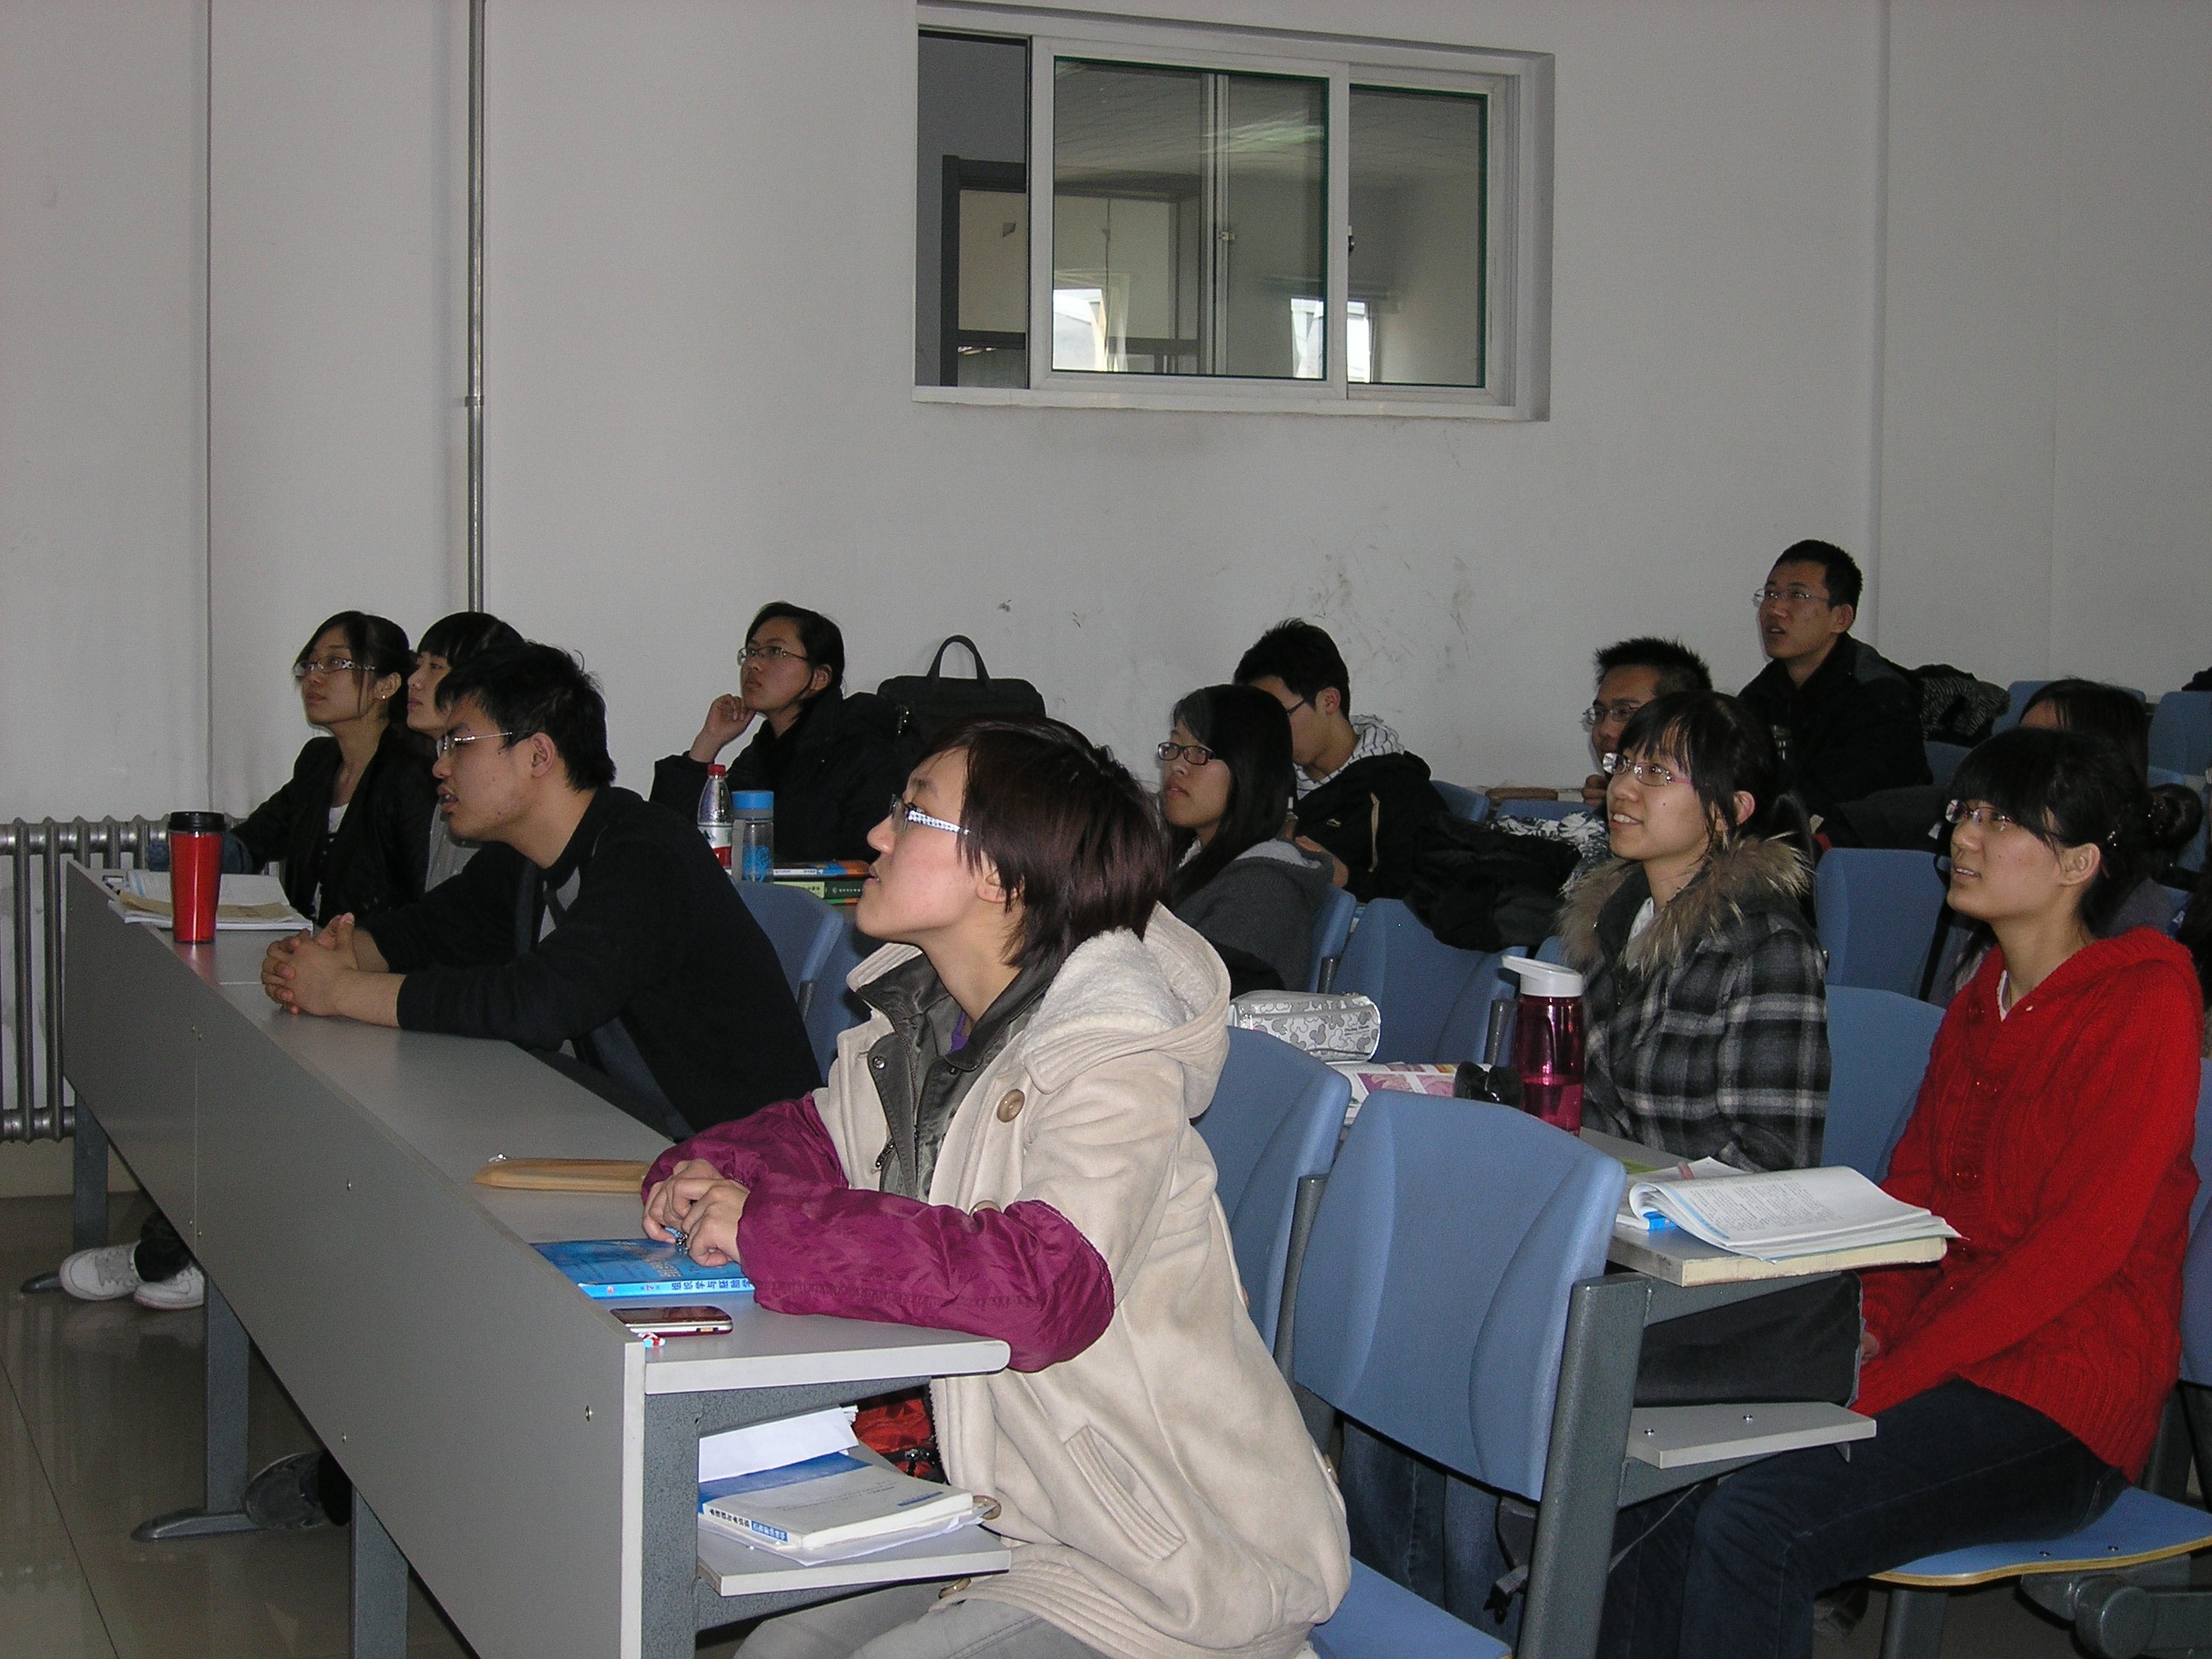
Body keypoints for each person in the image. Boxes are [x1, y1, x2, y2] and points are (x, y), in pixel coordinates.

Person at [638, 716, 1350, 1659]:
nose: (878, 834)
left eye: (913, 813)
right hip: (991, 1506)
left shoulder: (1113, 1054)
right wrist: (703, 1171)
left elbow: (1045, 1286)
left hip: (1160, 1558)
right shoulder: (928, 1023)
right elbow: (813, 1138)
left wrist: (771, 1229)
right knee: (779, 1652)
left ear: (1003, 873)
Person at [1599, 725, 2203, 1659]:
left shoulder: (2146, 1001)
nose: (1963, 836)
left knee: (1757, 1522)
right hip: (1939, 1353)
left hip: (2063, 1396)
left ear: (2079, 863)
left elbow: (2077, 1252)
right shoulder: (1983, 996)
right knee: (1662, 1472)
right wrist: (1871, 1321)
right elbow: (1915, 1198)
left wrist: (1886, 1376)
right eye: (1965, 811)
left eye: (2000, 821)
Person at [259, 643, 818, 1138]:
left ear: (538, 755)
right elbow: (423, 933)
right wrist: (329, 958)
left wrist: (340, 991)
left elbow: (540, 1002)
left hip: (738, 1164)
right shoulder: (525, 858)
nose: (441, 767)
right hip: (618, 1129)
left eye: (459, 743)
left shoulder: (644, 852)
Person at [58, 610, 436, 1314]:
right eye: (309, 664)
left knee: (234, 1095)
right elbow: (254, 839)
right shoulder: (318, 764)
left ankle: (176, 1254)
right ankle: (194, 1249)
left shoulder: (412, 778)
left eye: (335, 664)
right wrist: (163, 863)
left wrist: (345, 961)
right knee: (208, 1074)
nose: (315, 678)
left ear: (386, 684)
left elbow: (423, 908)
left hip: (367, 990)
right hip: (304, 978)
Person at [1559, 690, 1829, 1172]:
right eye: (1624, 764)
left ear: (1729, 811)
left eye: (1657, 773)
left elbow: (1772, 1159)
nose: (1622, 788)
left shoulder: (1765, 947)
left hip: (1692, 1213)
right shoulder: (1609, 920)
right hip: (1600, 1194)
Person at [650, 602, 904, 863]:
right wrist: (709, 740)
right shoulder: (761, 755)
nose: (753, 664)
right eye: (751, 652)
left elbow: (868, 863)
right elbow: (667, 840)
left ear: (819, 678)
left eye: (775, 652)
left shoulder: (863, 754)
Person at [1234, 619, 1446, 901]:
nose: (1267, 733)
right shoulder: (1270, 778)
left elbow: (1424, 906)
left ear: (1329, 701)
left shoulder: (1400, 794)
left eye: (1277, 716)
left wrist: (1346, 879)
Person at [1738, 539, 1930, 823]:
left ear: (1841, 618)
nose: (1775, 609)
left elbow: (1832, 803)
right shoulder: (1764, 691)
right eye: (1770, 594)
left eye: (1797, 596)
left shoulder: (1878, 700)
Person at [1160, 684, 1334, 996]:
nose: (1177, 765)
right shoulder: (1188, 857)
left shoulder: (1262, 889)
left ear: (1250, 768)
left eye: (1200, 752)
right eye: (1173, 747)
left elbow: (1194, 1000)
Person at [405, 609, 525, 888]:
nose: (414, 680)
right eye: (418, 665)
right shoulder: (445, 775)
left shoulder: (492, 785)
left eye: (435, 667)